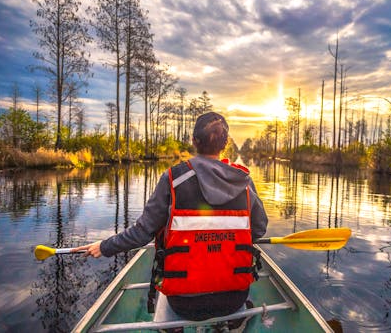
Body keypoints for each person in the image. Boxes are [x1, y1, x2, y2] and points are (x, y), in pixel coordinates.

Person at [73, 112, 268, 322]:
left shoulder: (174, 178)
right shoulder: (243, 181)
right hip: (233, 298)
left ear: (194, 141)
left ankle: (171, 326)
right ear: (226, 143)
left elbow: (142, 233)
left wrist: (104, 246)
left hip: (185, 303)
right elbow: (258, 230)